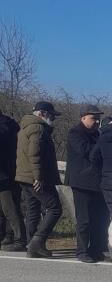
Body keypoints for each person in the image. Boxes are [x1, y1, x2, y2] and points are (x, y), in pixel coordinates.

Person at [15, 101, 64, 258]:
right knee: (55, 208)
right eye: (52, 115)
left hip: (23, 176)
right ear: (42, 113)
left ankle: (32, 244)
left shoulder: (25, 127)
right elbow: (34, 153)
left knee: (33, 209)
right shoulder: (38, 128)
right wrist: (38, 177)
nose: (53, 119)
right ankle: (37, 242)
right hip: (34, 177)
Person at [65, 105, 109, 263]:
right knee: (84, 219)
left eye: (98, 119)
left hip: (97, 182)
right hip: (81, 182)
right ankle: (82, 251)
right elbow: (87, 151)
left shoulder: (97, 134)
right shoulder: (75, 133)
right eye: (93, 118)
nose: (96, 121)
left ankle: (96, 249)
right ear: (83, 117)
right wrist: (102, 143)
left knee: (99, 218)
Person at [0, 109, 25, 251]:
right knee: (5, 208)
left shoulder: (6, 126)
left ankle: (19, 238)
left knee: (9, 208)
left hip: (7, 174)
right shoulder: (10, 125)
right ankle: (8, 236)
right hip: (9, 172)